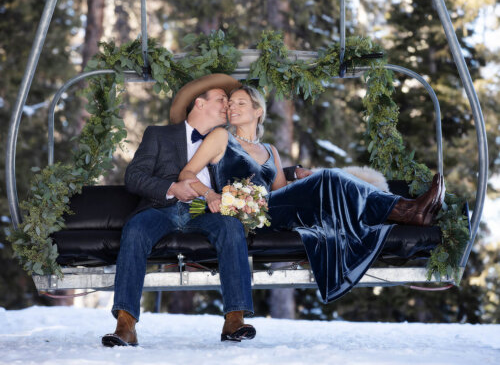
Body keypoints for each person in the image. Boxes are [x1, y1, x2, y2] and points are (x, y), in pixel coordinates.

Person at [178, 84, 445, 304]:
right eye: (230, 104)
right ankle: (406, 210)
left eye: (240, 103)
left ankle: (407, 211)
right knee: (328, 177)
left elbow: (282, 195)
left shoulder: (271, 150)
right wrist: (211, 195)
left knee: (327, 181)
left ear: (258, 111)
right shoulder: (221, 138)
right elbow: (186, 175)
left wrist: (304, 181)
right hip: (243, 217)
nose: (231, 108)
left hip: (273, 213)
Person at [102, 74, 258, 347]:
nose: (228, 106)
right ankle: (125, 325)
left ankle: (234, 319)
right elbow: (134, 177)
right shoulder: (159, 135)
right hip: (162, 207)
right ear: (199, 103)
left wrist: (293, 172)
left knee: (232, 226)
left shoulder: (225, 141)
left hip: (206, 211)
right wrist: (172, 187)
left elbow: (257, 168)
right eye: (222, 99)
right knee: (136, 229)